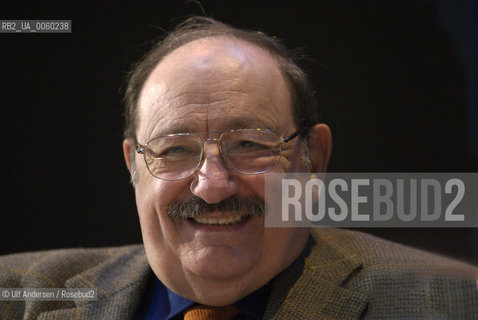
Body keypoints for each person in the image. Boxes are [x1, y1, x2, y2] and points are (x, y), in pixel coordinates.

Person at [1, 16, 477, 320]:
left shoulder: (451, 304)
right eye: (176, 150)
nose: (211, 187)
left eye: (250, 144)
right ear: (134, 165)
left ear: (314, 161)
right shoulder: (16, 295)